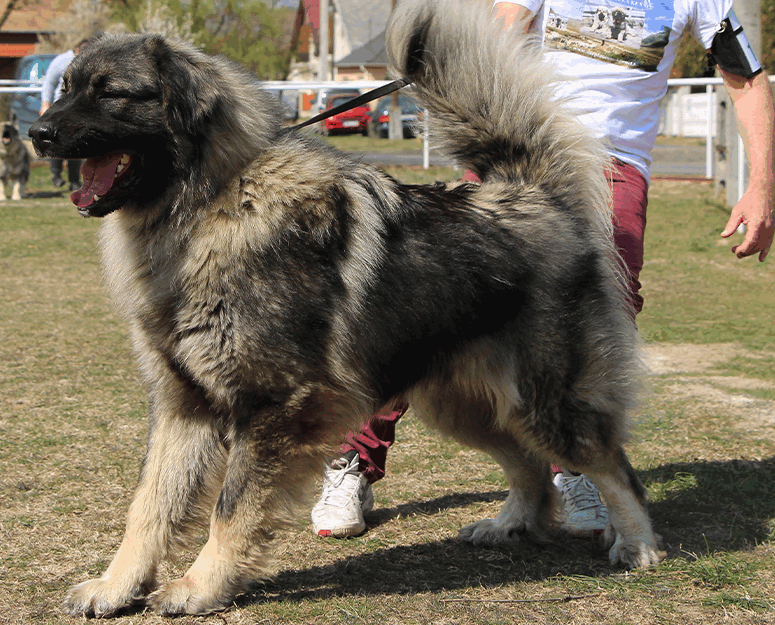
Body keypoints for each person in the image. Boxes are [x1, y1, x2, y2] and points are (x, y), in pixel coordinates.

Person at [311, 0, 775, 539]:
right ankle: (355, 462)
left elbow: (748, 81)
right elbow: (506, 25)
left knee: (593, 321)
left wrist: (763, 185)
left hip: (614, 167)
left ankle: (571, 468)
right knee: (424, 308)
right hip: (525, 151)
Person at [40, 40, 90, 191]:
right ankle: (56, 176)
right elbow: (49, 82)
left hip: (78, 109)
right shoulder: (62, 61)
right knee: (56, 142)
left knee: (76, 144)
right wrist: (45, 104)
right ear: (76, 50)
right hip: (59, 108)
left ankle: (74, 180)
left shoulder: (88, 63)